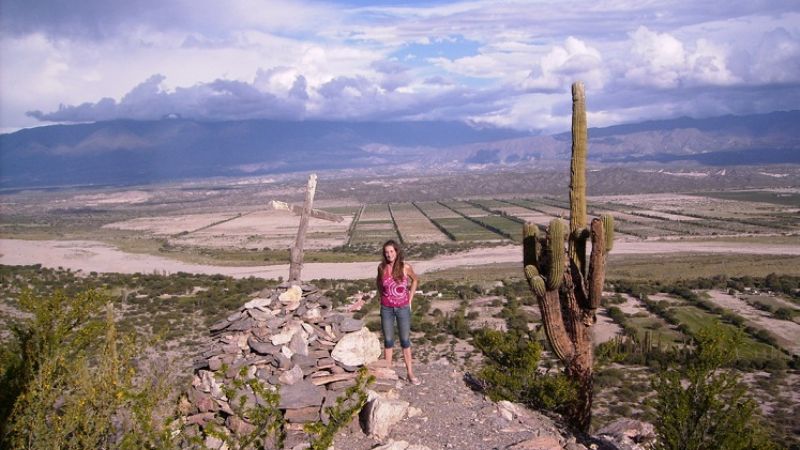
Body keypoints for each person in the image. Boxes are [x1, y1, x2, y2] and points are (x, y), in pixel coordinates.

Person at [351, 239, 420, 385]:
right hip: (387, 308)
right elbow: (379, 283)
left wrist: (410, 299)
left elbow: (415, 280)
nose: (389, 254)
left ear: (396, 252)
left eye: (391, 251)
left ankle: (410, 373)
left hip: (403, 308)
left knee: (405, 341)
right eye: (386, 252)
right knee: (388, 341)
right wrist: (382, 298)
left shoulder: (405, 267)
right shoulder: (381, 268)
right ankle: (388, 372)